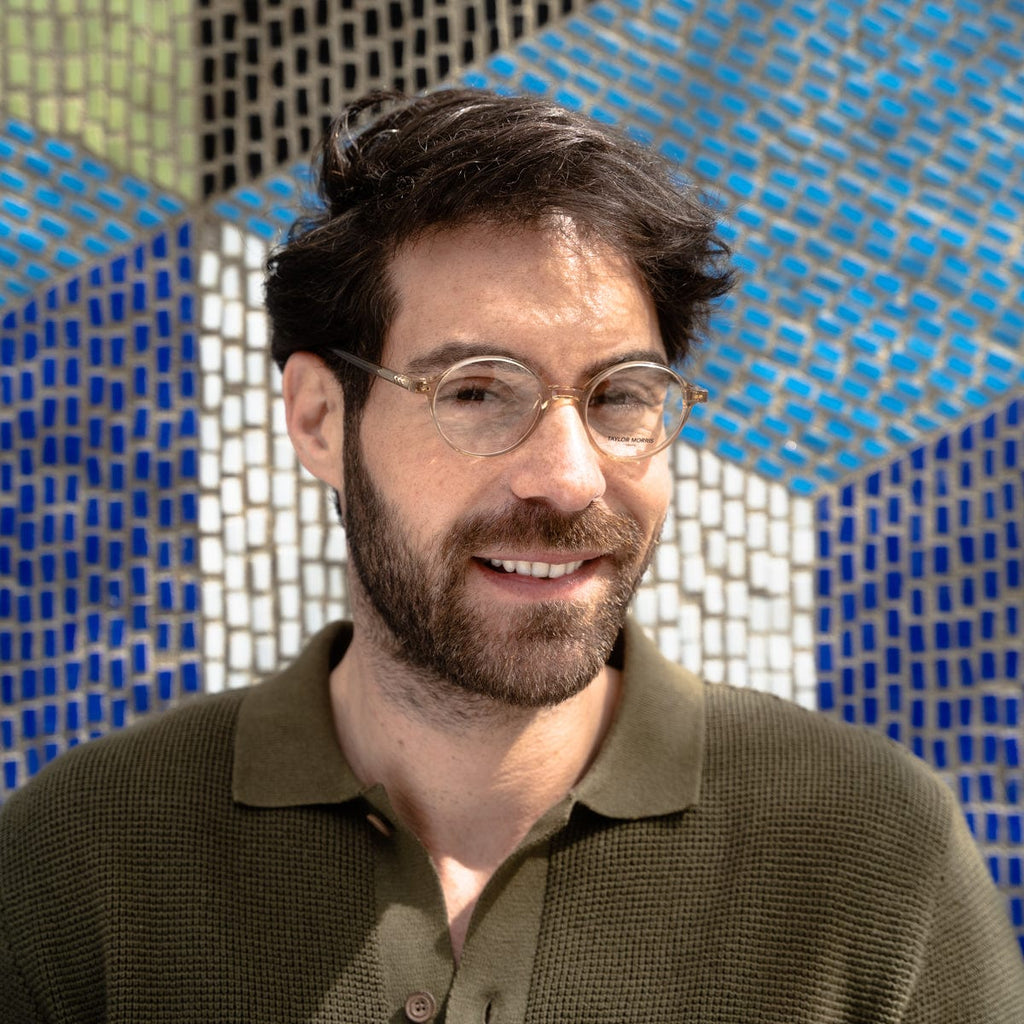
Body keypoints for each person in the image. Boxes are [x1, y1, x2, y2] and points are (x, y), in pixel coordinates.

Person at [1, 88, 1021, 1024]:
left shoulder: (874, 850)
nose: (568, 478)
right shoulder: (80, 859)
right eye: (479, 392)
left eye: (621, 396)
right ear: (318, 418)